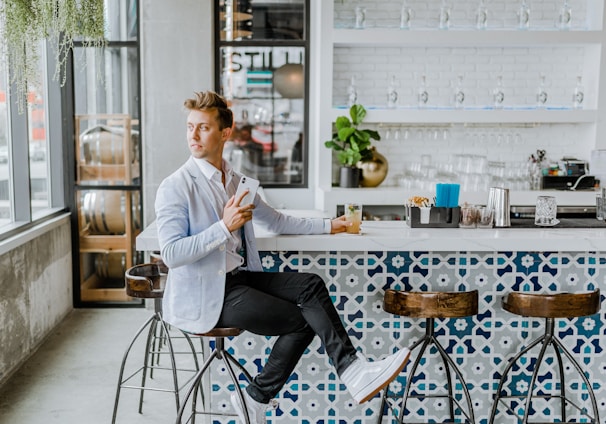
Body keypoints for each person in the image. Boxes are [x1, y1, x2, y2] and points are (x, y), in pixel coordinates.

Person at [154, 90, 410, 423]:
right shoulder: (175, 186)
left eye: (203, 127)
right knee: (304, 322)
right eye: (190, 127)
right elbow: (172, 254)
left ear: (225, 133)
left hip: (237, 278)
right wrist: (223, 227)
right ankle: (260, 397)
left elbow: (275, 221)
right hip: (208, 295)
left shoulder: (234, 181)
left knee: (311, 286)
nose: (193, 135)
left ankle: (352, 371)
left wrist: (331, 226)